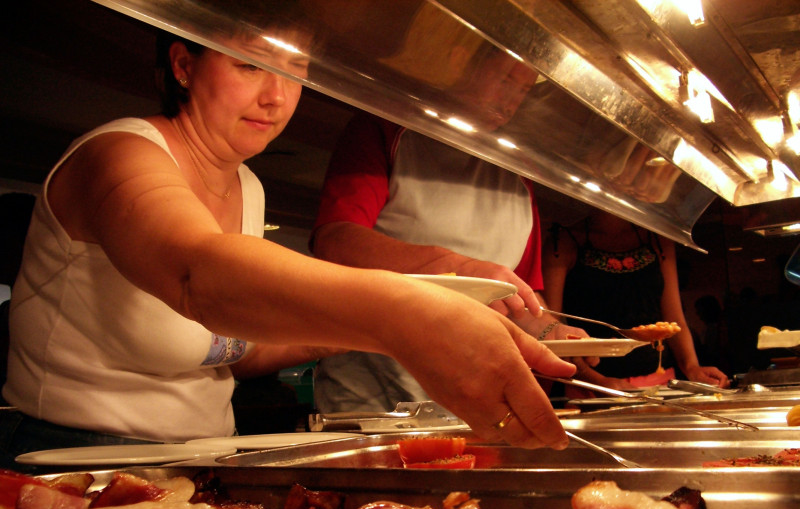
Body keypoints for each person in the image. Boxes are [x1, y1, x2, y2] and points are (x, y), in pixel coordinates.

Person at [1, 9, 577, 470]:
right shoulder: (119, 153)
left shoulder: (247, 187)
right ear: (183, 64)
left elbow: (239, 349)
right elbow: (197, 277)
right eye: (251, 65)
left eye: (295, 72)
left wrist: (357, 336)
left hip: (201, 455)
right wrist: (404, 315)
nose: (277, 97)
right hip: (72, 458)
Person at [310, 108, 589, 412]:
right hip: (375, 398)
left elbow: (517, 296)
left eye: (524, 87)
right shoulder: (387, 126)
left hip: (476, 400)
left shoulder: (518, 166)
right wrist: (456, 267)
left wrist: (552, 332)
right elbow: (335, 240)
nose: (512, 100)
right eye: (507, 77)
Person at [541, 209, 728, 391]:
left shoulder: (657, 238)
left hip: (659, 382)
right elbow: (551, 329)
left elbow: (675, 320)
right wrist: (598, 381)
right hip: (589, 386)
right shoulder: (563, 240)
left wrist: (692, 368)